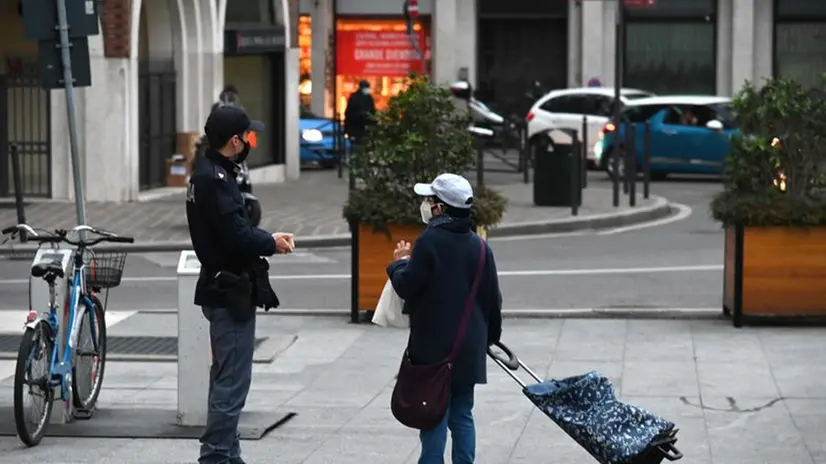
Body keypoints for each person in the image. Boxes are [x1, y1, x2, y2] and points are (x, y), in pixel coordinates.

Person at [186, 104, 295, 464]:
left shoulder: (211, 171)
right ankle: (216, 456)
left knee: (226, 379)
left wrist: (264, 236)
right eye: (247, 135)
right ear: (235, 141)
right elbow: (235, 236)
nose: (251, 140)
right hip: (229, 289)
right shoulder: (214, 180)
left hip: (223, 285)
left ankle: (228, 454)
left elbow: (233, 230)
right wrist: (271, 243)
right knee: (232, 383)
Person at [386, 173, 503, 464]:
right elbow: (493, 300)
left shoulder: (429, 242)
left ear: (441, 208)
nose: (426, 205)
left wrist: (399, 263)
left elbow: (407, 285)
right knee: (462, 412)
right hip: (468, 347)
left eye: (430, 200)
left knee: (433, 413)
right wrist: (490, 339)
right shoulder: (480, 246)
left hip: (434, 348)